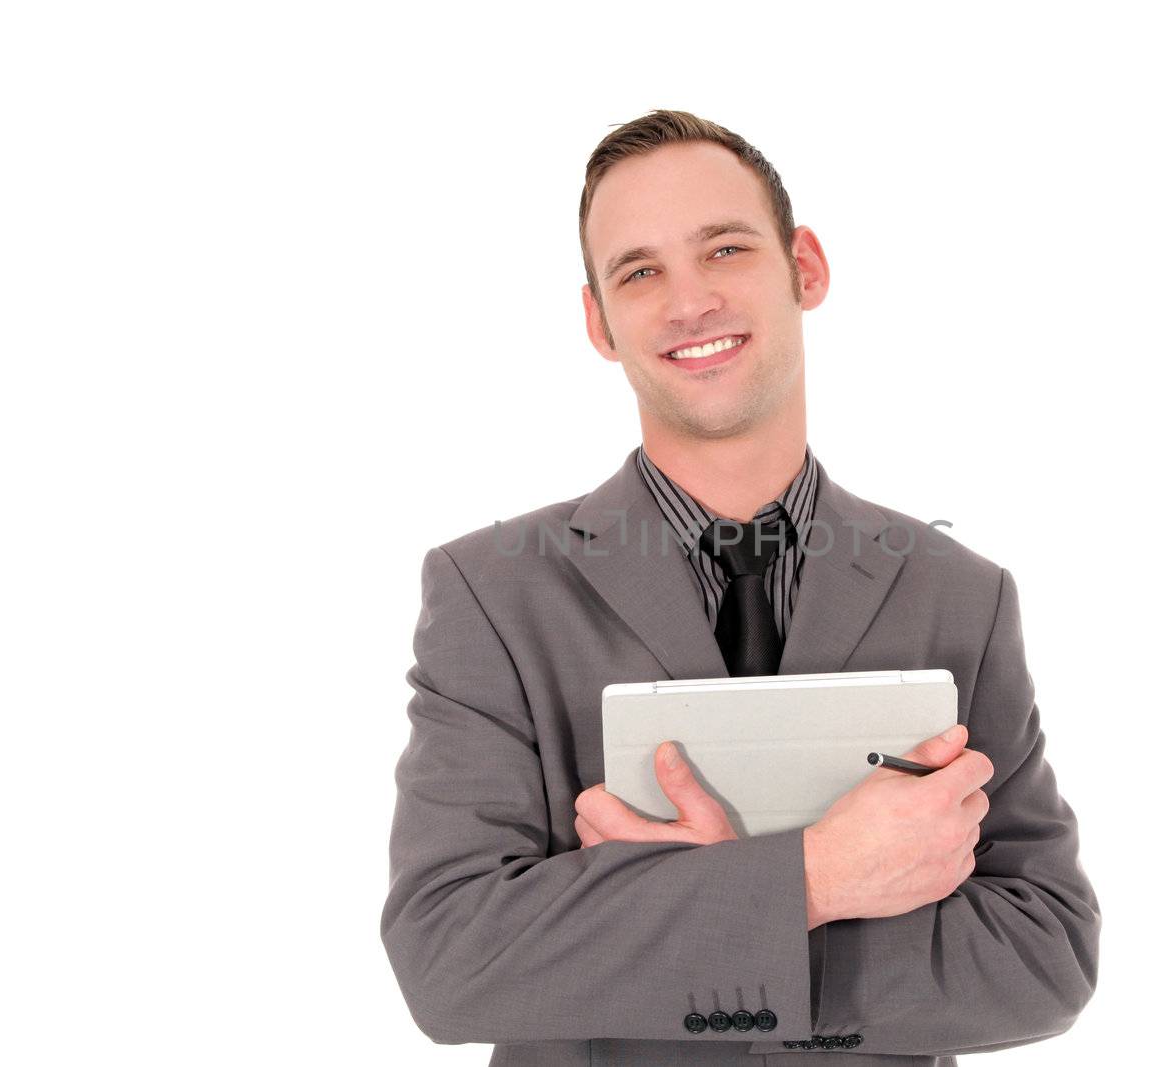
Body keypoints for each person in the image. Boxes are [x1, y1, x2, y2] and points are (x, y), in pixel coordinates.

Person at [380, 109, 1100, 1066]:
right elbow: (451, 956)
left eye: (723, 249)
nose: (690, 302)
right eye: (640, 272)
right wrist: (818, 877)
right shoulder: (492, 592)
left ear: (804, 268)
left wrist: (680, 921)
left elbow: (1045, 954)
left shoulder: (959, 596)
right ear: (600, 321)